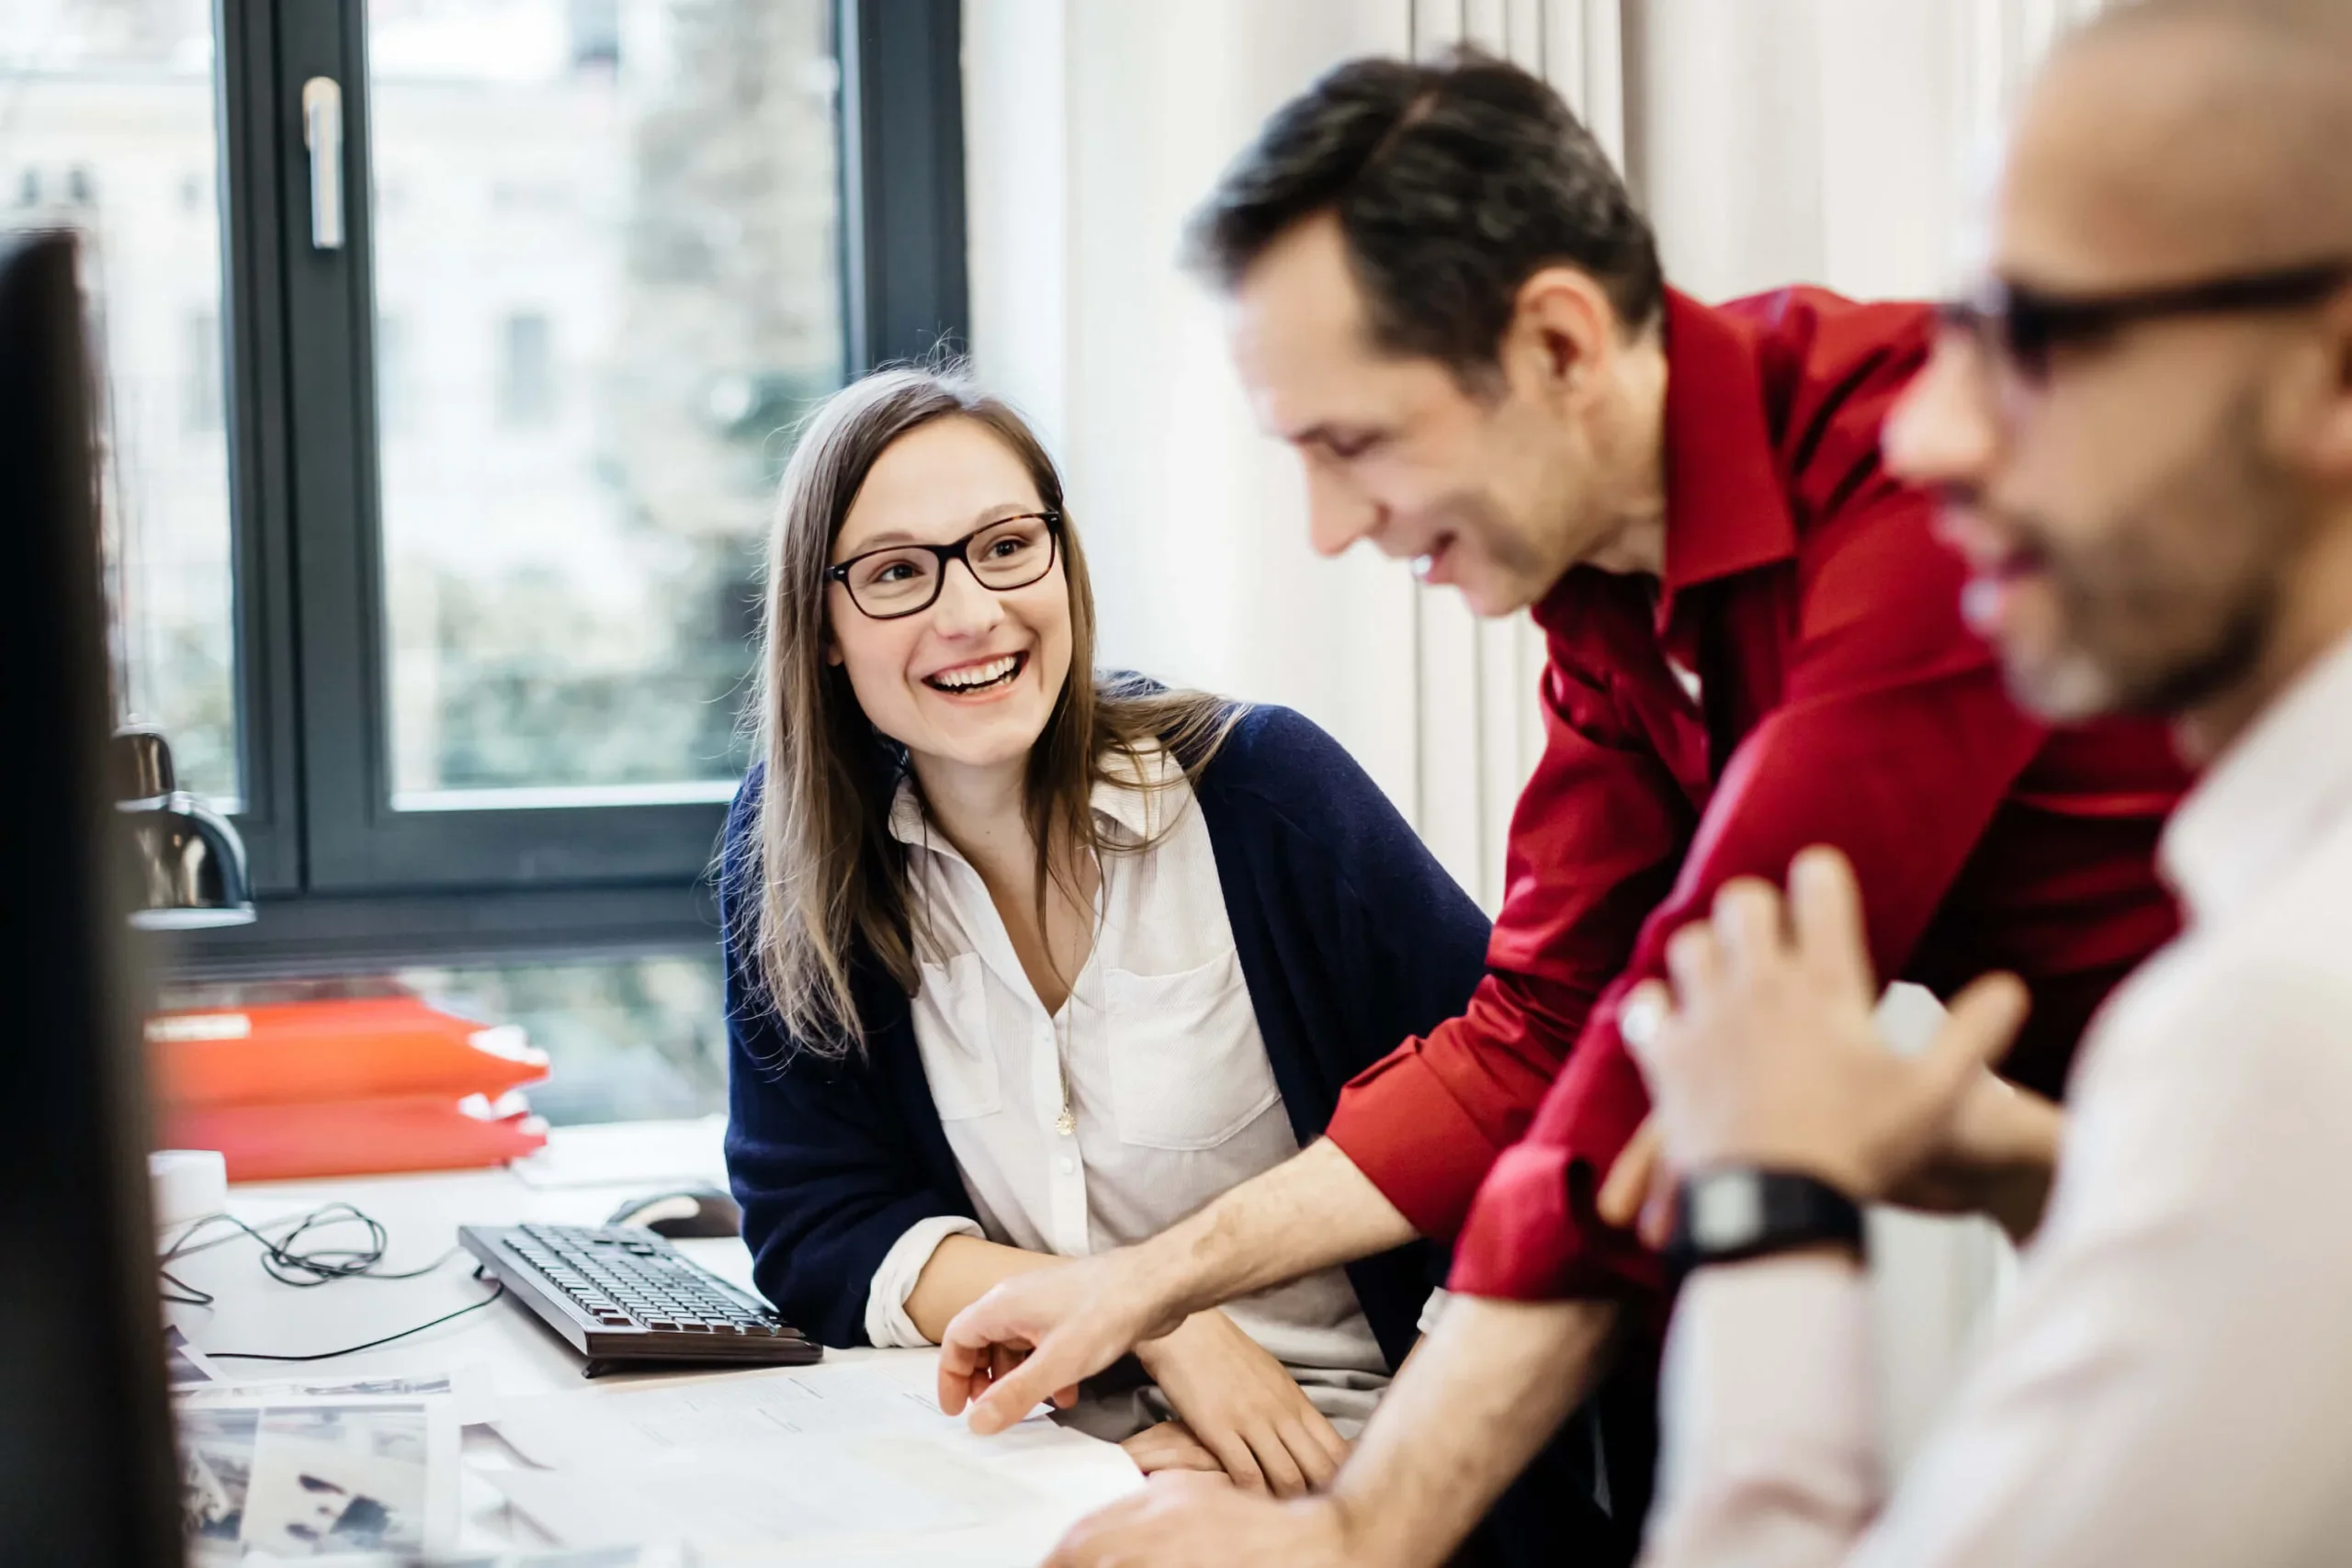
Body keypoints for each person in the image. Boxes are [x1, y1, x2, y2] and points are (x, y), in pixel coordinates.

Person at [934, 49, 2195, 1568]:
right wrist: (1144, 1283)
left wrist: (1360, 1533)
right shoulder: (1610, 599)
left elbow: (1647, 1066)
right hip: (2149, 1186)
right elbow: (1536, 1027)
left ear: (1557, 342)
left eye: (1357, 444)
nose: (1336, 530)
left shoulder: (1909, 484)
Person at [1606, 1, 2352, 1562]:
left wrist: (1769, 1200)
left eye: (2031, 337)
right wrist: (2055, 1175)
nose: (1933, 438)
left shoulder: (2282, 1024)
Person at [718, 367, 1566, 1530]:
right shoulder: (803, 847)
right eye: (897, 574)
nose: (968, 613)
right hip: (1058, 1463)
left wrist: (1384, 1490)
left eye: (1008, 545)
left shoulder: (1264, 793)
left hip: (1365, 1470)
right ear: (822, 628)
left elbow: (1531, 1124)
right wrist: (1151, 1319)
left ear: (1062, 561)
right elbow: (811, 1215)